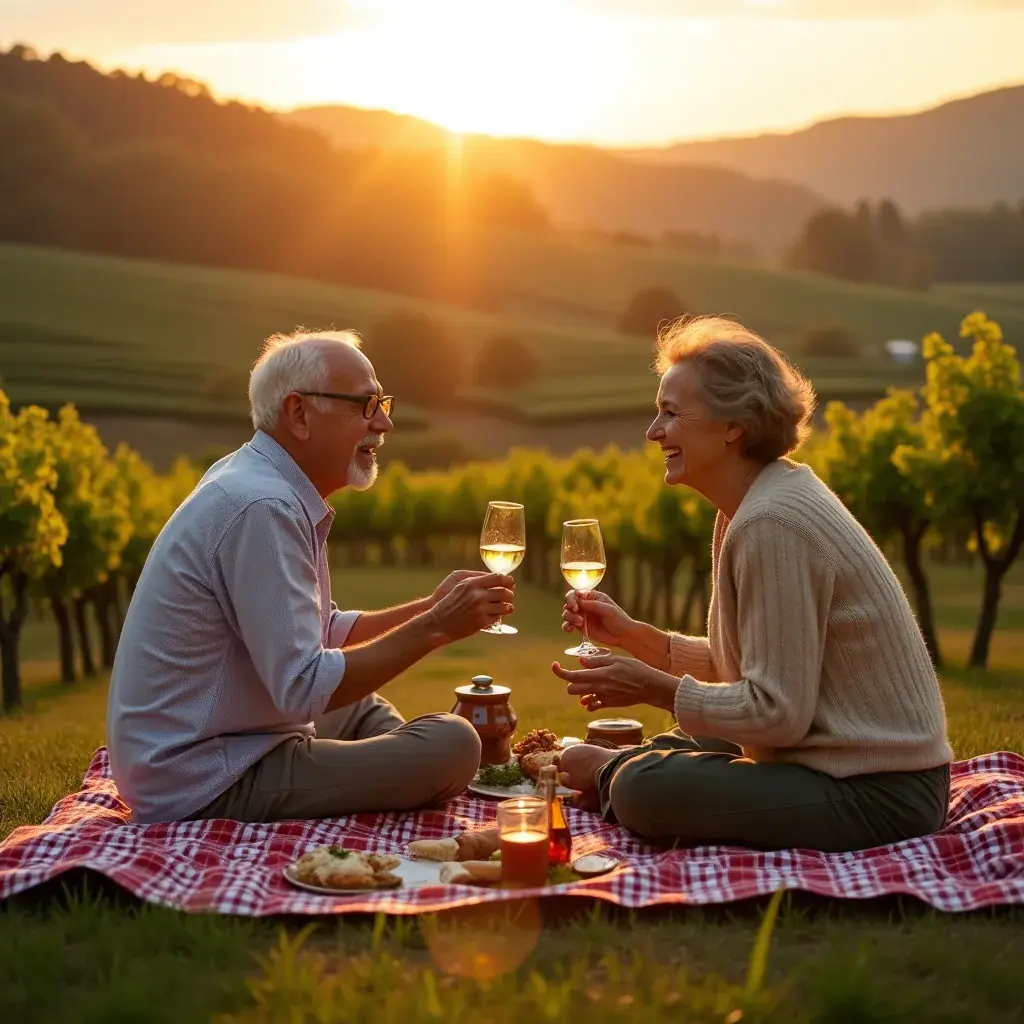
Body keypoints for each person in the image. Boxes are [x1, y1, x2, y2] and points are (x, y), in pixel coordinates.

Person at [551, 316, 953, 853]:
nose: (653, 432)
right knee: (689, 742)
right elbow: (757, 667)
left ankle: (611, 775)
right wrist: (637, 637)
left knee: (643, 788)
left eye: (670, 413)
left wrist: (651, 687)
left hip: (878, 792)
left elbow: (776, 714)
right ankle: (621, 768)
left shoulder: (772, 522)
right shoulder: (756, 504)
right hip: (828, 753)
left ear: (732, 425)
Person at [107, 329, 514, 825]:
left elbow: (321, 633)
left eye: (382, 403)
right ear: (299, 413)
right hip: (203, 776)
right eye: (365, 405)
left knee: (365, 709)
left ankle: (403, 774)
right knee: (454, 744)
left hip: (231, 733)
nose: (384, 423)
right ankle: (414, 774)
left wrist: (432, 605)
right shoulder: (263, 506)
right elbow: (303, 688)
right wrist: (438, 627)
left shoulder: (257, 481)